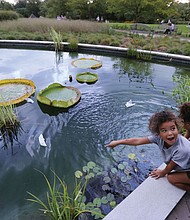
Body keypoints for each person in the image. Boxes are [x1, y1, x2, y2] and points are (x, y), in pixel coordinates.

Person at [106, 110, 190, 191]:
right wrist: (118, 142)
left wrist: (162, 172)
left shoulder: (183, 149)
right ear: (158, 133)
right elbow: (137, 141)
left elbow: (169, 168)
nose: (170, 133)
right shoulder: (158, 138)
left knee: (171, 178)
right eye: (164, 130)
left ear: (177, 128)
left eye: (173, 128)